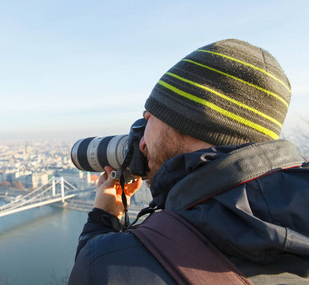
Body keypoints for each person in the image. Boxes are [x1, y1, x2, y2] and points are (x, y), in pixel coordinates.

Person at [68, 39, 309, 284]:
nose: (140, 140)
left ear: (185, 121)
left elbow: (97, 272)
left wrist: (103, 221)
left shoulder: (115, 265)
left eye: (149, 117)